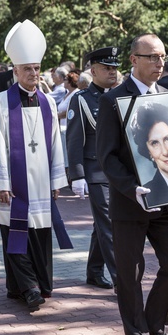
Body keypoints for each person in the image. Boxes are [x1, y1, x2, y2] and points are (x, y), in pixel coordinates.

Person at [97, 33, 168, 335]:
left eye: (163, 56)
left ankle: (158, 325)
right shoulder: (112, 100)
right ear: (134, 60)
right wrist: (129, 187)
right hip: (131, 201)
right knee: (130, 271)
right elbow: (107, 157)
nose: (160, 63)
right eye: (152, 57)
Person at [0, 20, 70, 313]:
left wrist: (56, 182)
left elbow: (56, 142)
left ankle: (31, 284)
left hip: (41, 182)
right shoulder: (1, 103)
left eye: (37, 68)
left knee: (40, 233)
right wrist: (0, 183)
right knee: (15, 231)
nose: (33, 73)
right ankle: (29, 287)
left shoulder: (48, 103)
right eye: (27, 68)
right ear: (15, 71)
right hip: (13, 184)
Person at [66, 47, 121, 291]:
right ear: (94, 70)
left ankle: (94, 271)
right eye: (107, 68)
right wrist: (77, 174)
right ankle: (122, 279)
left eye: (115, 68)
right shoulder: (81, 99)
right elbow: (74, 139)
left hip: (118, 171)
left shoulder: (120, 96)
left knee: (103, 224)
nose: (112, 72)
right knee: (111, 224)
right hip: (96, 171)